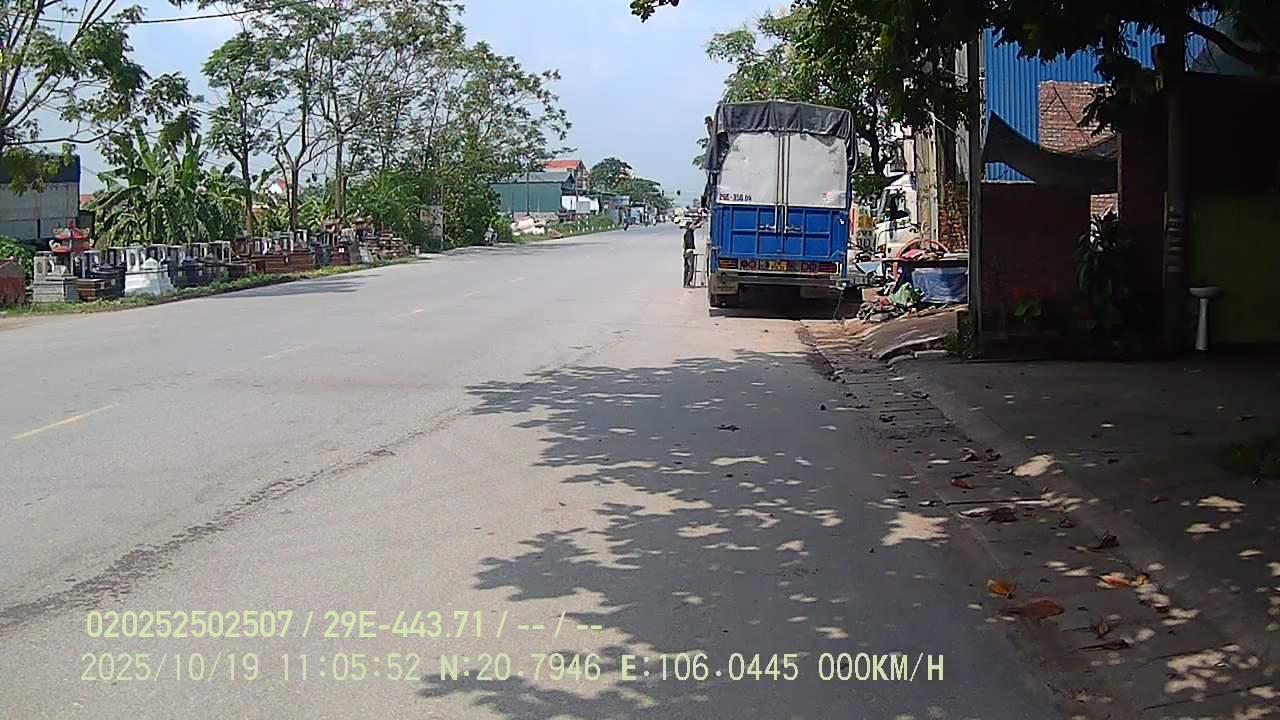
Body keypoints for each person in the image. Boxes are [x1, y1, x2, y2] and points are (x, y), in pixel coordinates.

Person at [682, 218, 702, 287]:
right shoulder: (689, 232)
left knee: (686, 269)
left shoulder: (686, 233)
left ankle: (685, 283)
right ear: (689, 226)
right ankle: (688, 283)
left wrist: (699, 221)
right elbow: (695, 226)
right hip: (689, 253)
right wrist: (699, 221)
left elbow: (696, 226)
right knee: (691, 269)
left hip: (685, 252)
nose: (693, 226)